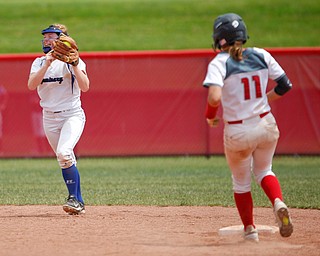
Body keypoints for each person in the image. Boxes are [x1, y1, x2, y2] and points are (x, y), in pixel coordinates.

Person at [203, 13, 293, 242]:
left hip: (238, 131)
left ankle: (250, 230)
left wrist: (210, 116)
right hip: (266, 124)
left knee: (241, 182)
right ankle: (278, 202)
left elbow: (214, 98)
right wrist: (264, 98)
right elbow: (285, 85)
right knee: (264, 171)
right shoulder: (262, 54)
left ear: (219, 39)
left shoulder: (220, 62)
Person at [27, 24, 90, 215]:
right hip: (49, 118)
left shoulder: (73, 61)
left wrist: (75, 65)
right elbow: (31, 85)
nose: (46, 40)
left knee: (64, 152)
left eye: (51, 37)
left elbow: (85, 87)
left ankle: (73, 199)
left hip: (71, 114)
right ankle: (78, 202)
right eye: (45, 37)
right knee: (64, 159)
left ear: (62, 39)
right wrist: (47, 63)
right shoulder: (39, 62)